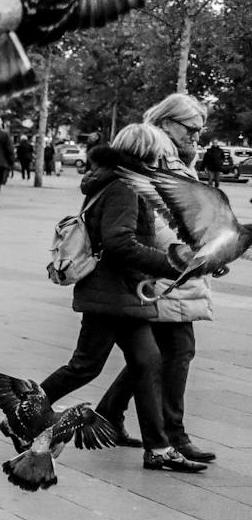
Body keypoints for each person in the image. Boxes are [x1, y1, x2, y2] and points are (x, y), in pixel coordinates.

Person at [36, 120, 208, 474]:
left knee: (147, 362)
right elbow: (119, 242)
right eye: (160, 154)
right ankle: (23, 411)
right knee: (85, 366)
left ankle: (159, 449)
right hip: (111, 294)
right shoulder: (124, 188)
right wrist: (170, 265)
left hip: (122, 294)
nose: (163, 161)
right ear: (147, 154)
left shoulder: (117, 180)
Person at [78, 96, 218, 466]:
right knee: (174, 351)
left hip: (168, 271)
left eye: (200, 130)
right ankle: (171, 436)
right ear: (167, 122)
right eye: (191, 129)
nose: (196, 137)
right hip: (163, 273)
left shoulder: (174, 158)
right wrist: (184, 259)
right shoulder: (154, 156)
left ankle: (110, 414)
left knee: (151, 355)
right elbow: (154, 222)